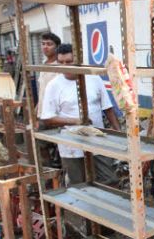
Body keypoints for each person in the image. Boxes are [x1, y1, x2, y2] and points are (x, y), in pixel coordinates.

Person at [40, 44, 121, 186]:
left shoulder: (94, 79)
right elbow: (47, 118)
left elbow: (107, 108)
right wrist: (76, 122)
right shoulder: (54, 85)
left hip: (98, 141)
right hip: (71, 147)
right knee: (79, 185)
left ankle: (103, 207)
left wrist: (118, 132)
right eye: (61, 63)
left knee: (109, 180)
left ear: (78, 60)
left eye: (69, 62)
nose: (65, 66)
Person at [36, 32, 62, 119]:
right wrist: (36, 112)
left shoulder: (60, 66)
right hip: (43, 114)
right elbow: (42, 92)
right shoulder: (43, 64)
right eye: (43, 44)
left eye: (49, 44)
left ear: (57, 47)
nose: (45, 47)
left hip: (56, 115)